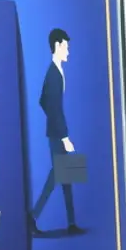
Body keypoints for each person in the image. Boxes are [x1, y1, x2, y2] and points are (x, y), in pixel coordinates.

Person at [30, 28, 84, 235]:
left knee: (65, 176)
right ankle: (32, 217)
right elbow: (52, 106)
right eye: (66, 47)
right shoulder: (53, 73)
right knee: (57, 176)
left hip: (55, 131)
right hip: (57, 134)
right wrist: (64, 136)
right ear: (57, 46)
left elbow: (43, 101)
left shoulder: (56, 71)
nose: (68, 51)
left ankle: (71, 223)